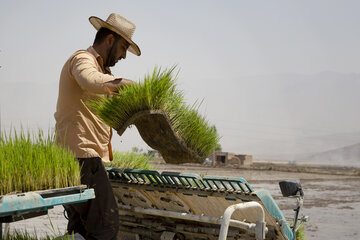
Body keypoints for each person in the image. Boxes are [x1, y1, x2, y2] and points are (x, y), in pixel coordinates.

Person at [54, 13, 141, 240]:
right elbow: (90, 81)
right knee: (106, 225)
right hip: (82, 157)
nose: (123, 56)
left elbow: (111, 112)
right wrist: (128, 84)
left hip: (78, 158)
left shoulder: (105, 74)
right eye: (123, 47)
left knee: (80, 228)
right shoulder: (82, 60)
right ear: (110, 40)